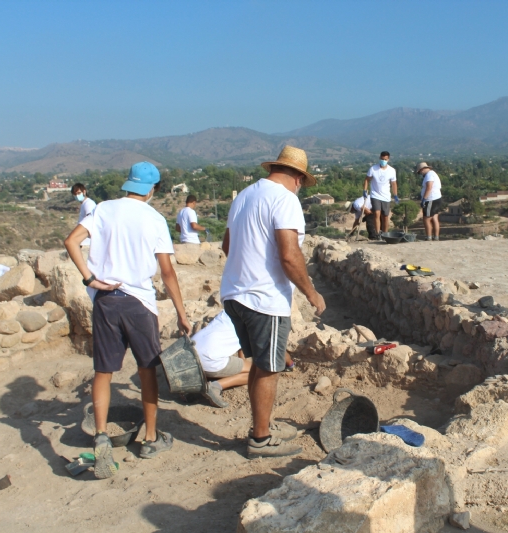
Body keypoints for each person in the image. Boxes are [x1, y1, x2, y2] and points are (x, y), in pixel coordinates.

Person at [64, 161, 191, 479]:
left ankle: (102, 434)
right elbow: (167, 272)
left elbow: (71, 242)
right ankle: (150, 438)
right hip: (139, 305)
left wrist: (90, 279)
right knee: (147, 370)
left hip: (106, 301)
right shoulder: (155, 219)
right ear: (153, 189)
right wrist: (181, 313)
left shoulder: (104, 209)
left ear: (128, 184)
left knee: (103, 372)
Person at [221, 145, 326, 458]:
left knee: (259, 366)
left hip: (235, 294)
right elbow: (289, 255)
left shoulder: (243, 195)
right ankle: (261, 439)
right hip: (265, 300)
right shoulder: (285, 200)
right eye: (301, 183)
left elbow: (228, 245)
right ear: (296, 177)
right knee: (270, 370)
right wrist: (311, 292)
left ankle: (261, 425)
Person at [192, 311, 251, 408]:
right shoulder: (251, 317)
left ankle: (194, 386)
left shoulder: (227, 310)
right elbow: (242, 348)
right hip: (209, 359)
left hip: (190, 354)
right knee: (256, 372)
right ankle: (215, 386)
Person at [363, 151, 399, 237]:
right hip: (375, 195)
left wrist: (395, 195)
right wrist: (364, 189)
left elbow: (394, 183)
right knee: (376, 214)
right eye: (382, 159)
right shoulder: (373, 169)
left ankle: (385, 234)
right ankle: (378, 233)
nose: (383, 161)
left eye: (385, 159)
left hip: (386, 196)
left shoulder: (392, 170)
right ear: (380, 158)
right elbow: (367, 179)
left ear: (388, 159)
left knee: (385, 216)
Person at [416, 162, 442, 241]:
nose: (421, 173)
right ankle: (436, 237)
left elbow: (429, 187)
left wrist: (424, 198)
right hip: (437, 198)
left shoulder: (429, 175)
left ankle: (429, 237)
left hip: (431, 199)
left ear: (422, 169)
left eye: (420, 172)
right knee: (434, 217)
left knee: (426, 218)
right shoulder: (433, 173)